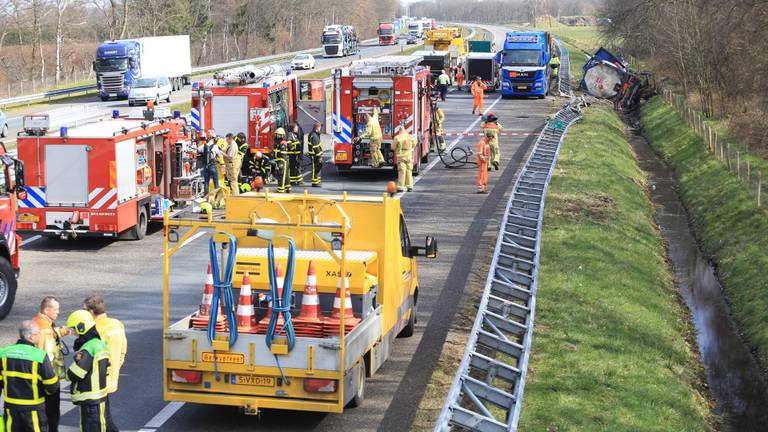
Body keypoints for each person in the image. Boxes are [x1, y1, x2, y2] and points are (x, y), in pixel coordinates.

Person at [0, 321, 59, 432]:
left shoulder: (3, 353)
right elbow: (52, 386)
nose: (40, 336)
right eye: (38, 333)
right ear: (31, 337)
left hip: (11, 410)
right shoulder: (39, 356)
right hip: (33, 412)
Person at [84, 296, 126, 432]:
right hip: (111, 376)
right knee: (105, 413)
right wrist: (116, 366)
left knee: (101, 416)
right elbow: (123, 349)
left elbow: (90, 355)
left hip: (98, 379)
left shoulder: (95, 330)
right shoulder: (116, 324)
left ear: (91, 312)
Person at [66, 310, 111, 432]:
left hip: (90, 401)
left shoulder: (88, 347)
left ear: (82, 328)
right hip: (99, 397)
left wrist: (67, 372)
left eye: (75, 330)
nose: (74, 334)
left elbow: (75, 373)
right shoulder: (99, 344)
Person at [31, 297, 69, 432]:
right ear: (46, 310)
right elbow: (48, 357)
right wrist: (52, 384)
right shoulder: (46, 330)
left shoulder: (37, 321)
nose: (58, 312)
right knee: (52, 414)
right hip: (48, 379)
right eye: (55, 309)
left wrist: (63, 330)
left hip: (35, 377)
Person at [198, 131, 222, 196]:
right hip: (213, 166)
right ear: (213, 139)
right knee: (216, 183)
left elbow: (198, 150)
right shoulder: (215, 146)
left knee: (206, 183)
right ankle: (217, 196)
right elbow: (219, 156)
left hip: (205, 166)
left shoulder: (203, 146)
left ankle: (206, 197)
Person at [393, 125, 416, 192]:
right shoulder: (410, 137)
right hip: (409, 157)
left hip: (401, 158)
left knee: (402, 171)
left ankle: (400, 187)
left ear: (399, 131)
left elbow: (393, 147)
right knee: (409, 171)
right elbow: (415, 144)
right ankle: (410, 187)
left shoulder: (397, 137)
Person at [273, 128, 290, 193]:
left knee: (281, 175)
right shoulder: (277, 143)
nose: (277, 136)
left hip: (282, 161)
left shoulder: (282, 143)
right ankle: (287, 188)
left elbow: (283, 154)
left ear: (282, 135)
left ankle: (281, 189)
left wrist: (279, 163)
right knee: (285, 175)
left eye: (279, 135)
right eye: (276, 134)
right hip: (280, 161)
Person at [307, 122, 323, 187]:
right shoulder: (314, 135)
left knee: (318, 168)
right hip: (315, 155)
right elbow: (316, 147)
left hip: (316, 155)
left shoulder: (315, 134)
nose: (320, 129)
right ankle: (315, 183)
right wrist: (319, 156)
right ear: (317, 128)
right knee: (315, 169)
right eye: (320, 128)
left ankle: (317, 182)